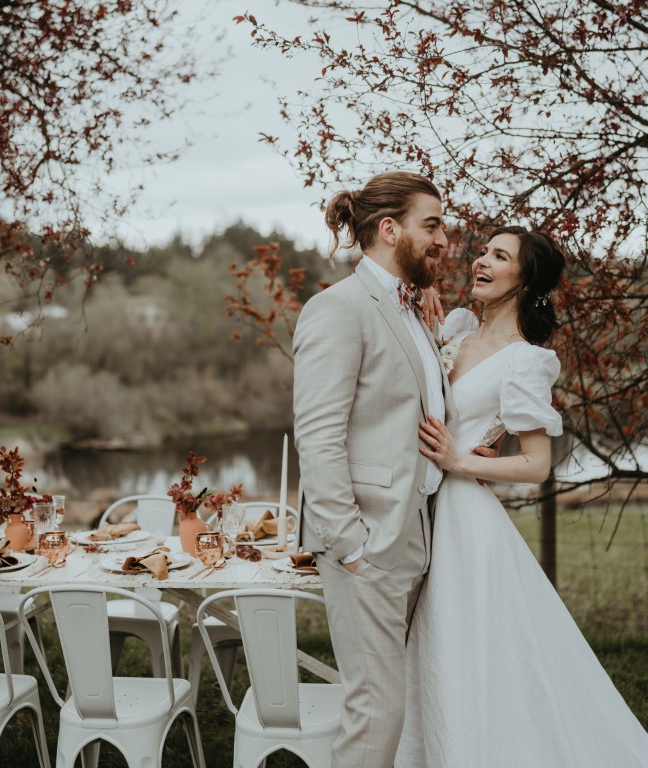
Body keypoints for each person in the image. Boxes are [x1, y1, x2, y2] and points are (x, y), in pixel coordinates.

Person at [395, 226, 648, 768]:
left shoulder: (525, 360)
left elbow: (537, 464)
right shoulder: (452, 329)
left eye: (499, 256)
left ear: (525, 280)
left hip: (464, 518)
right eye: (483, 251)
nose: (481, 261)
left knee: (464, 644)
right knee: (433, 647)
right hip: (424, 506)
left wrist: (459, 461)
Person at [292, 170, 452, 767]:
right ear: (390, 229)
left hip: (414, 531)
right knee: (376, 708)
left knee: (396, 701)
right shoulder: (338, 309)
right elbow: (319, 436)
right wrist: (353, 547)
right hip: (371, 542)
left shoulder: (411, 309)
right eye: (431, 225)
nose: (444, 240)